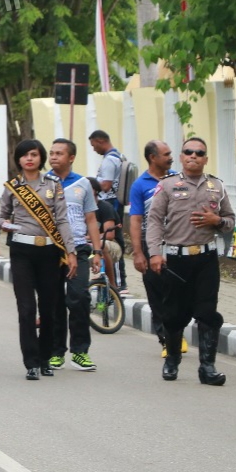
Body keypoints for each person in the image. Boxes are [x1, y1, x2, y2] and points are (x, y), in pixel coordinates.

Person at [146, 136, 234, 385]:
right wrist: (154, 252)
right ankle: (172, 359)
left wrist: (216, 222)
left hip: (206, 259)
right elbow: (154, 221)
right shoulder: (168, 185)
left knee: (207, 313)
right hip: (176, 261)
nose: (193, 156)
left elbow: (229, 221)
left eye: (199, 152)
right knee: (174, 314)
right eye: (188, 152)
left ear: (205, 158)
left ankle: (207, 367)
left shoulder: (217, 186)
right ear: (182, 157)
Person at [0, 138, 75, 381]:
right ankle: (30, 362)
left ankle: (45, 359)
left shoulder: (54, 185)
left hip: (50, 253)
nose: (29, 159)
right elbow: (0, 218)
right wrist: (9, 226)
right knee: (26, 308)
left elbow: (62, 219)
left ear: (40, 157)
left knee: (49, 308)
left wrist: (71, 252)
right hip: (22, 252)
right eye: (24, 155)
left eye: (33, 154)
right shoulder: (12, 187)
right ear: (18, 160)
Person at [47, 138, 101, 372]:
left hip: (79, 249)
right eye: (51, 153)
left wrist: (97, 251)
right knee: (55, 301)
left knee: (78, 297)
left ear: (71, 158)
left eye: (59, 153)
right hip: (51, 249)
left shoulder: (83, 184)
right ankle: (56, 352)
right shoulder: (42, 181)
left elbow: (91, 219)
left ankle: (80, 351)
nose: (54, 157)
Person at [127, 140, 180, 357]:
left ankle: (176, 333)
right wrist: (138, 253)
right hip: (152, 247)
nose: (171, 157)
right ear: (153, 157)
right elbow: (136, 220)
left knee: (177, 292)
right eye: (166, 154)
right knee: (157, 295)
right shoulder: (140, 185)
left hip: (178, 245)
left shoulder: (178, 179)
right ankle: (166, 338)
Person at [89, 129, 127, 289]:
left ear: (100, 141)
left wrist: (94, 186)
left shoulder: (110, 160)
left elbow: (106, 185)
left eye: (93, 145)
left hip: (111, 203)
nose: (93, 149)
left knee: (110, 241)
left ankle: (117, 284)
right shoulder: (118, 156)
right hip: (113, 203)